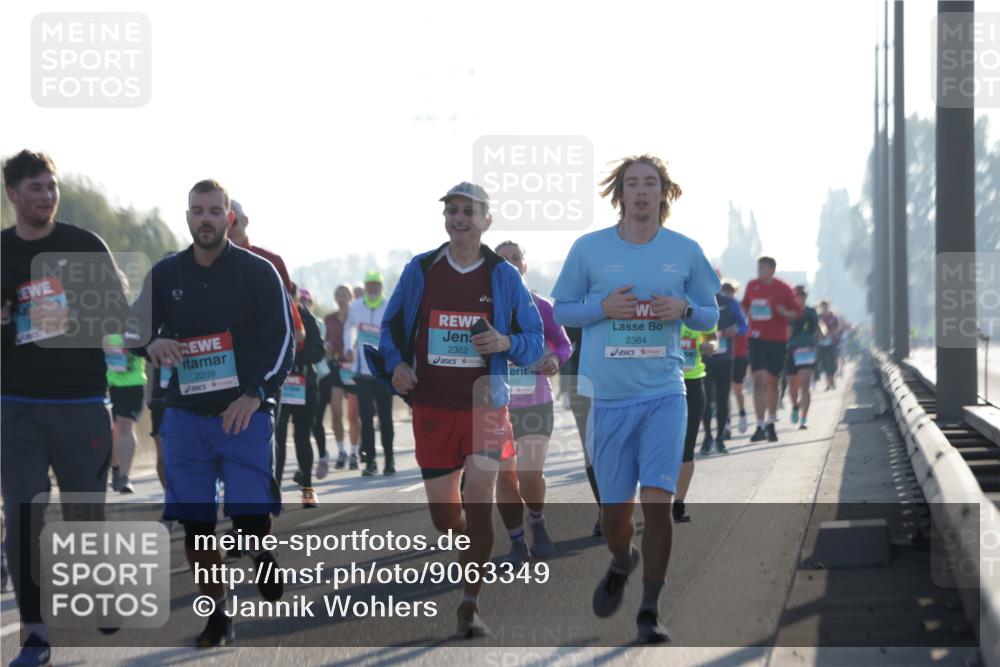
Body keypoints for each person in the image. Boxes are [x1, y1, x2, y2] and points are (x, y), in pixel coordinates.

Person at [552, 155, 719, 643]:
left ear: (664, 193)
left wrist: (684, 307)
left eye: (651, 183)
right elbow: (562, 308)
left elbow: (710, 314)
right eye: (633, 184)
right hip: (609, 399)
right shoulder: (589, 249)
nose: (641, 191)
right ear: (619, 194)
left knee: (658, 505)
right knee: (614, 516)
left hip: (665, 392)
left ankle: (650, 608)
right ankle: (623, 561)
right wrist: (601, 307)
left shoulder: (685, 251)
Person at [366, 181, 544, 638]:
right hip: (432, 407)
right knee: (447, 520)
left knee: (479, 504)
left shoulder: (504, 275)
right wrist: (398, 364)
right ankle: (466, 543)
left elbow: (535, 341)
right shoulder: (421, 269)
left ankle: (470, 603)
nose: (459, 218)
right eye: (452, 211)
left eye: (469, 211)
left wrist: (506, 342)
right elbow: (388, 328)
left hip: (486, 405)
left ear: (487, 220)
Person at [131, 179, 293, 648]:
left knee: (247, 516)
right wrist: (150, 343)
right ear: (187, 218)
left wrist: (255, 394)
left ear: (230, 218)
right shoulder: (166, 273)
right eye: (197, 211)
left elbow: (283, 341)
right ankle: (218, 616)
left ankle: (260, 548)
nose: (205, 218)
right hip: (185, 414)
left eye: (214, 211)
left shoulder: (259, 273)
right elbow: (133, 326)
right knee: (197, 524)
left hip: (243, 411)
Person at [2, 150, 134, 666]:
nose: (47, 195)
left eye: (51, 186)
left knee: (85, 514)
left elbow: (119, 314)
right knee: (22, 518)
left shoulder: (83, 245)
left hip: (80, 402)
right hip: (15, 406)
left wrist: (71, 309)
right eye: (35, 187)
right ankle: (35, 634)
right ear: (13, 193)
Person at [493, 241, 572, 565]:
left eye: (516, 259)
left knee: (529, 473)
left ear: (524, 266)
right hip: (496, 405)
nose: (510, 264)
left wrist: (554, 358)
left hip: (535, 401)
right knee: (505, 476)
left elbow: (565, 346)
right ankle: (515, 541)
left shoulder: (541, 306)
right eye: (503, 260)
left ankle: (536, 520)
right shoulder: (484, 308)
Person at [274, 285, 326, 506]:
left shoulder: (306, 318)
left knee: (302, 437)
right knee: (278, 438)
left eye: (290, 295)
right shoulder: (270, 314)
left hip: (304, 383)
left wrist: (293, 355)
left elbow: (318, 350)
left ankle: (307, 488)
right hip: (279, 385)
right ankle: (274, 491)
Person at [742, 257, 801, 443]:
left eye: (763, 268)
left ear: (772, 270)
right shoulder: (752, 285)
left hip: (777, 340)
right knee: (758, 380)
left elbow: (797, 312)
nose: (759, 271)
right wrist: (746, 314)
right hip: (756, 338)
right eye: (758, 268)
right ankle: (759, 425)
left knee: (773, 382)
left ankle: (771, 422)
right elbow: (744, 306)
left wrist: (784, 312)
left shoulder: (783, 288)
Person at [343, 271, 395, 476]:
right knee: (366, 417)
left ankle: (389, 460)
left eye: (376, 285)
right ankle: (371, 461)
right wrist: (348, 347)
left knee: (385, 418)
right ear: (365, 287)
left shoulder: (389, 305)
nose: (373, 289)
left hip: (382, 372)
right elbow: (348, 329)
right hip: (362, 372)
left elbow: (395, 333)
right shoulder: (356, 307)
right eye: (370, 286)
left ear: (381, 288)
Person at [560, 326, 602, 536]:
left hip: (627, 383)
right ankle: (605, 509)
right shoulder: (579, 297)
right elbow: (562, 330)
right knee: (591, 450)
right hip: (583, 383)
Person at [675, 325, 717, 523]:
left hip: (693, 384)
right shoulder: (659, 301)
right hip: (663, 384)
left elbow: (712, 336)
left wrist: (710, 345)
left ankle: (678, 504)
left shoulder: (700, 304)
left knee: (687, 446)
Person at [701, 281, 746, 454]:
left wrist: (733, 330)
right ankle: (707, 437)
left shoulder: (729, 302)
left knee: (722, 399)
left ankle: (720, 438)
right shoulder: (698, 300)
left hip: (725, 359)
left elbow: (744, 325)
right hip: (704, 359)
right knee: (705, 400)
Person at [324, 284, 361, 470]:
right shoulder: (329, 319)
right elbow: (325, 340)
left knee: (353, 415)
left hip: (353, 369)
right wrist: (326, 347)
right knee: (336, 412)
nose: (341, 297)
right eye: (338, 294)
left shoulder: (356, 317)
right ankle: (341, 451)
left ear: (350, 296)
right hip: (336, 367)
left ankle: (354, 452)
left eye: (344, 294)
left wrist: (355, 351)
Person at [104, 330, 146, 494]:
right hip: (102, 383)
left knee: (124, 425)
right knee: (110, 429)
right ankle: (115, 469)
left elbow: (148, 339)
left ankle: (124, 476)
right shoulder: (96, 319)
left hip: (131, 382)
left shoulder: (137, 320)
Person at [785, 286, 821, 430]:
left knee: (805, 387)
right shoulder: (788, 312)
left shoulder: (811, 312)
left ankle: (804, 418)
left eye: (803, 295)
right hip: (791, 351)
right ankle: (794, 406)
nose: (800, 298)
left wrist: (818, 333)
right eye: (797, 295)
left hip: (807, 351)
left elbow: (817, 328)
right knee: (792, 387)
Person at [816, 299, 840, 390]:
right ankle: (828, 382)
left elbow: (837, 327)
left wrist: (831, 332)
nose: (824, 307)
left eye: (826, 305)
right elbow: (815, 328)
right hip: (821, 344)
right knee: (824, 364)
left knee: (832, 364)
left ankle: (831, 380)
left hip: (831, 343)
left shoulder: (832, 316)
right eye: (823, 306)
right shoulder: (818, 317)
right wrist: (819, 334)